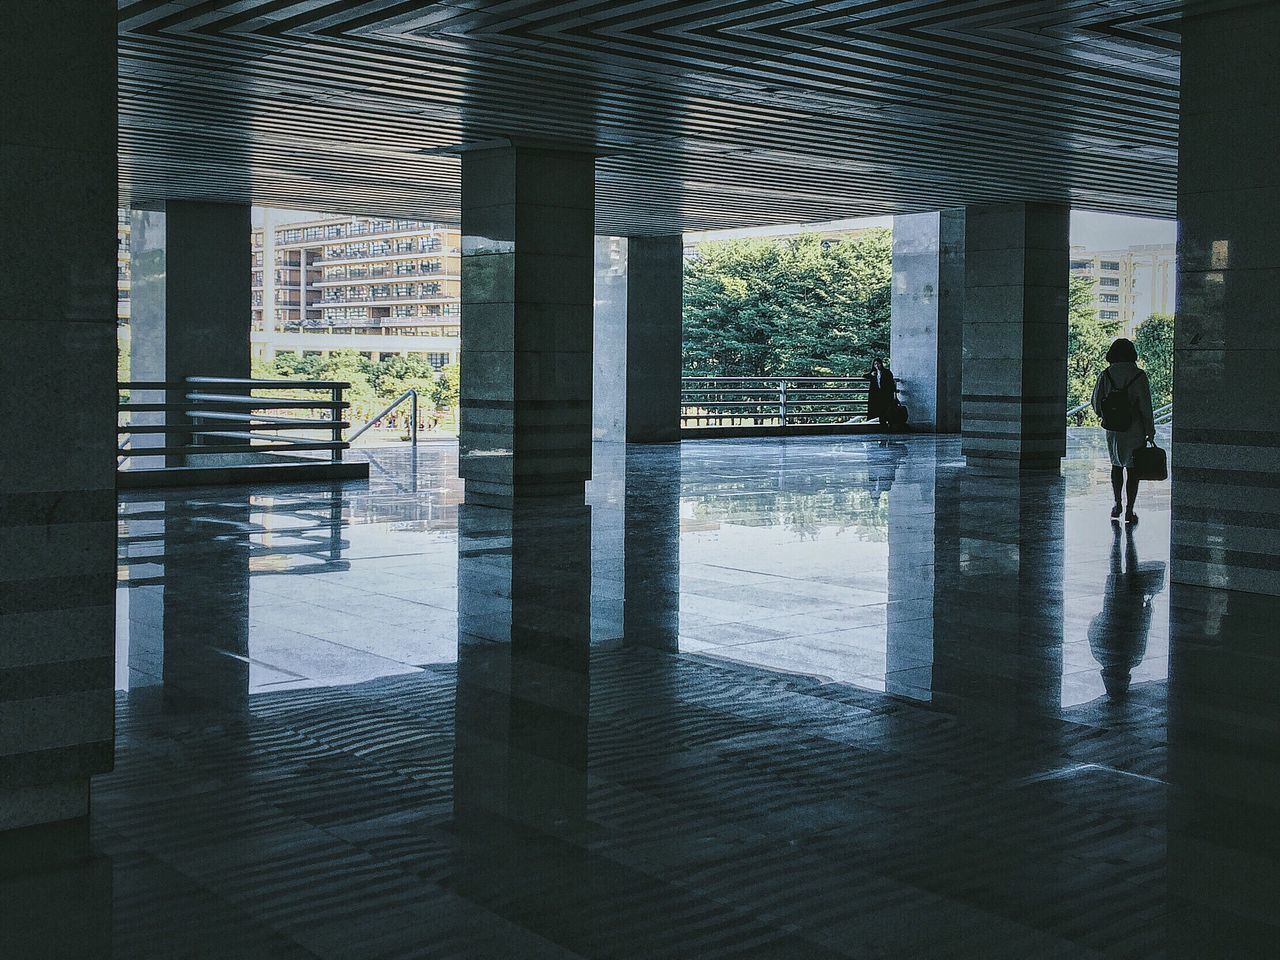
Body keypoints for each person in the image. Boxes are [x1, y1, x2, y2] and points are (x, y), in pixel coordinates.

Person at [1087, 524, 1165, 698]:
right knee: (1115, 569)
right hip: (1112, 607)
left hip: (1132, 610)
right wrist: (1102, 617)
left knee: (1132, 570)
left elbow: (1142, 632)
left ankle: (1128, 536)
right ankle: (1118, 537)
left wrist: (1147, 610)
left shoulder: (1134, 658)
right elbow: (1094, 628)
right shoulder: (1099, 654)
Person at [1091, 338, 1155, 524]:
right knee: (1133, 469)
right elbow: (1146, 406)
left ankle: (1117, 503)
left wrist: (1106, 415)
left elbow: (1096, 402)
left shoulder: (1106, 374)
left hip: (1113, 429)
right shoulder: (1138, 375)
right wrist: (1149, 430)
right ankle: (1129, 510)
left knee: (1116, 465)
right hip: (1134, 428)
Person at [867, 358, 897, 432]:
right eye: (875, 364)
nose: (877, 365)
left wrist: (893, 394)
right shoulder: (874, 373)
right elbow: (865, 375)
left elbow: (891, 383)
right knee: (881, 412)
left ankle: (890, 426)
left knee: (888, 411)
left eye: (878, 363)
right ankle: (884, 427)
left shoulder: (887, 372)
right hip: (878, 396)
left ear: (881, 364)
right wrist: (871, 374)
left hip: (886, 395)